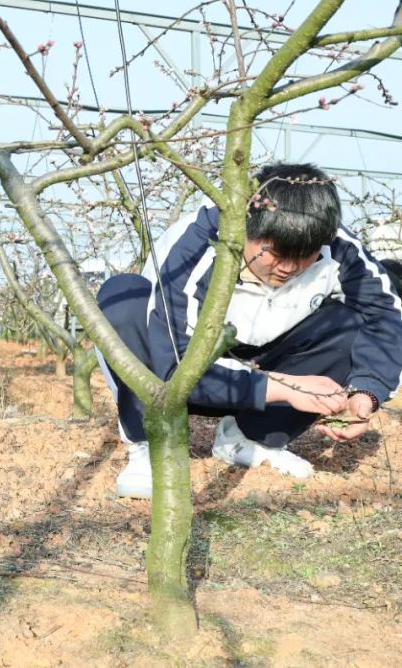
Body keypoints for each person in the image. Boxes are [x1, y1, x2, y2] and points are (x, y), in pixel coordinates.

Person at [97, 162, 402, 499]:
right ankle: (147, 446)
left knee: (350, 321)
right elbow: (173, 365)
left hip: (266, 358)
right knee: (122, 299)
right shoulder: (199, 242)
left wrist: (368, 390)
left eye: (304, 256)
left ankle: (249, 439)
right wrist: (284, 387)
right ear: (247, 226)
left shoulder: (337, 245)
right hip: (184, 371)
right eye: (276, 252)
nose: (289, 267)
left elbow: (386, 314)